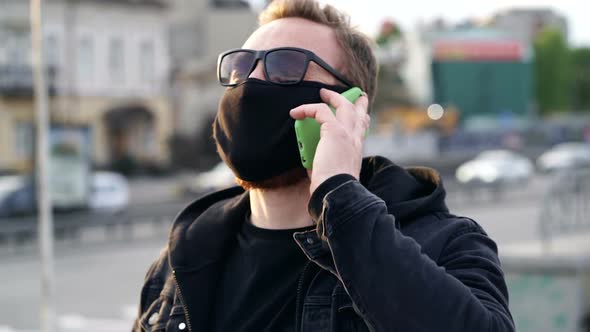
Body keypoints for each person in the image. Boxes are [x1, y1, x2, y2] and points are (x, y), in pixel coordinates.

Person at [132, 0, 514, 331]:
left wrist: (339, 195)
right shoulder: (181, 260)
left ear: (350, 106)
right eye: (240, 67)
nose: (250, 83)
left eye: (285, 67)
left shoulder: (443, 243)